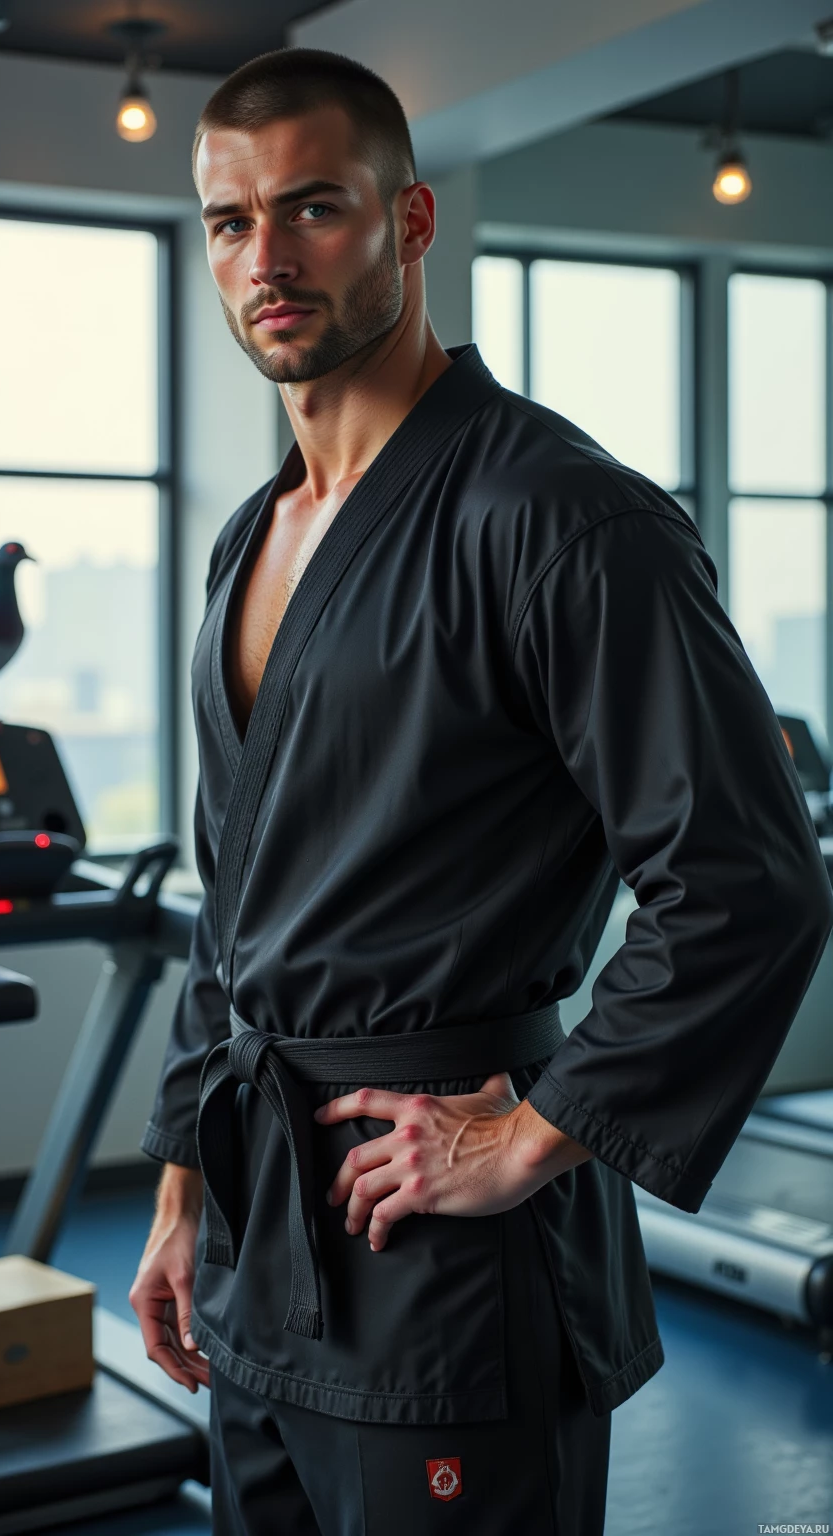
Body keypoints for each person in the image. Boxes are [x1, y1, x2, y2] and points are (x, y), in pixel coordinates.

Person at [129, 46, 833, 1536]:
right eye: (229, 221)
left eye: (314, 209)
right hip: (263, 1239)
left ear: (412, 220)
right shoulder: (249, 540)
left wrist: (534, 1133)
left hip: (445, 1244)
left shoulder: (562, 518)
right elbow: (227, 910)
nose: (268, 259)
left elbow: (747, 883)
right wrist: (187, 1186)